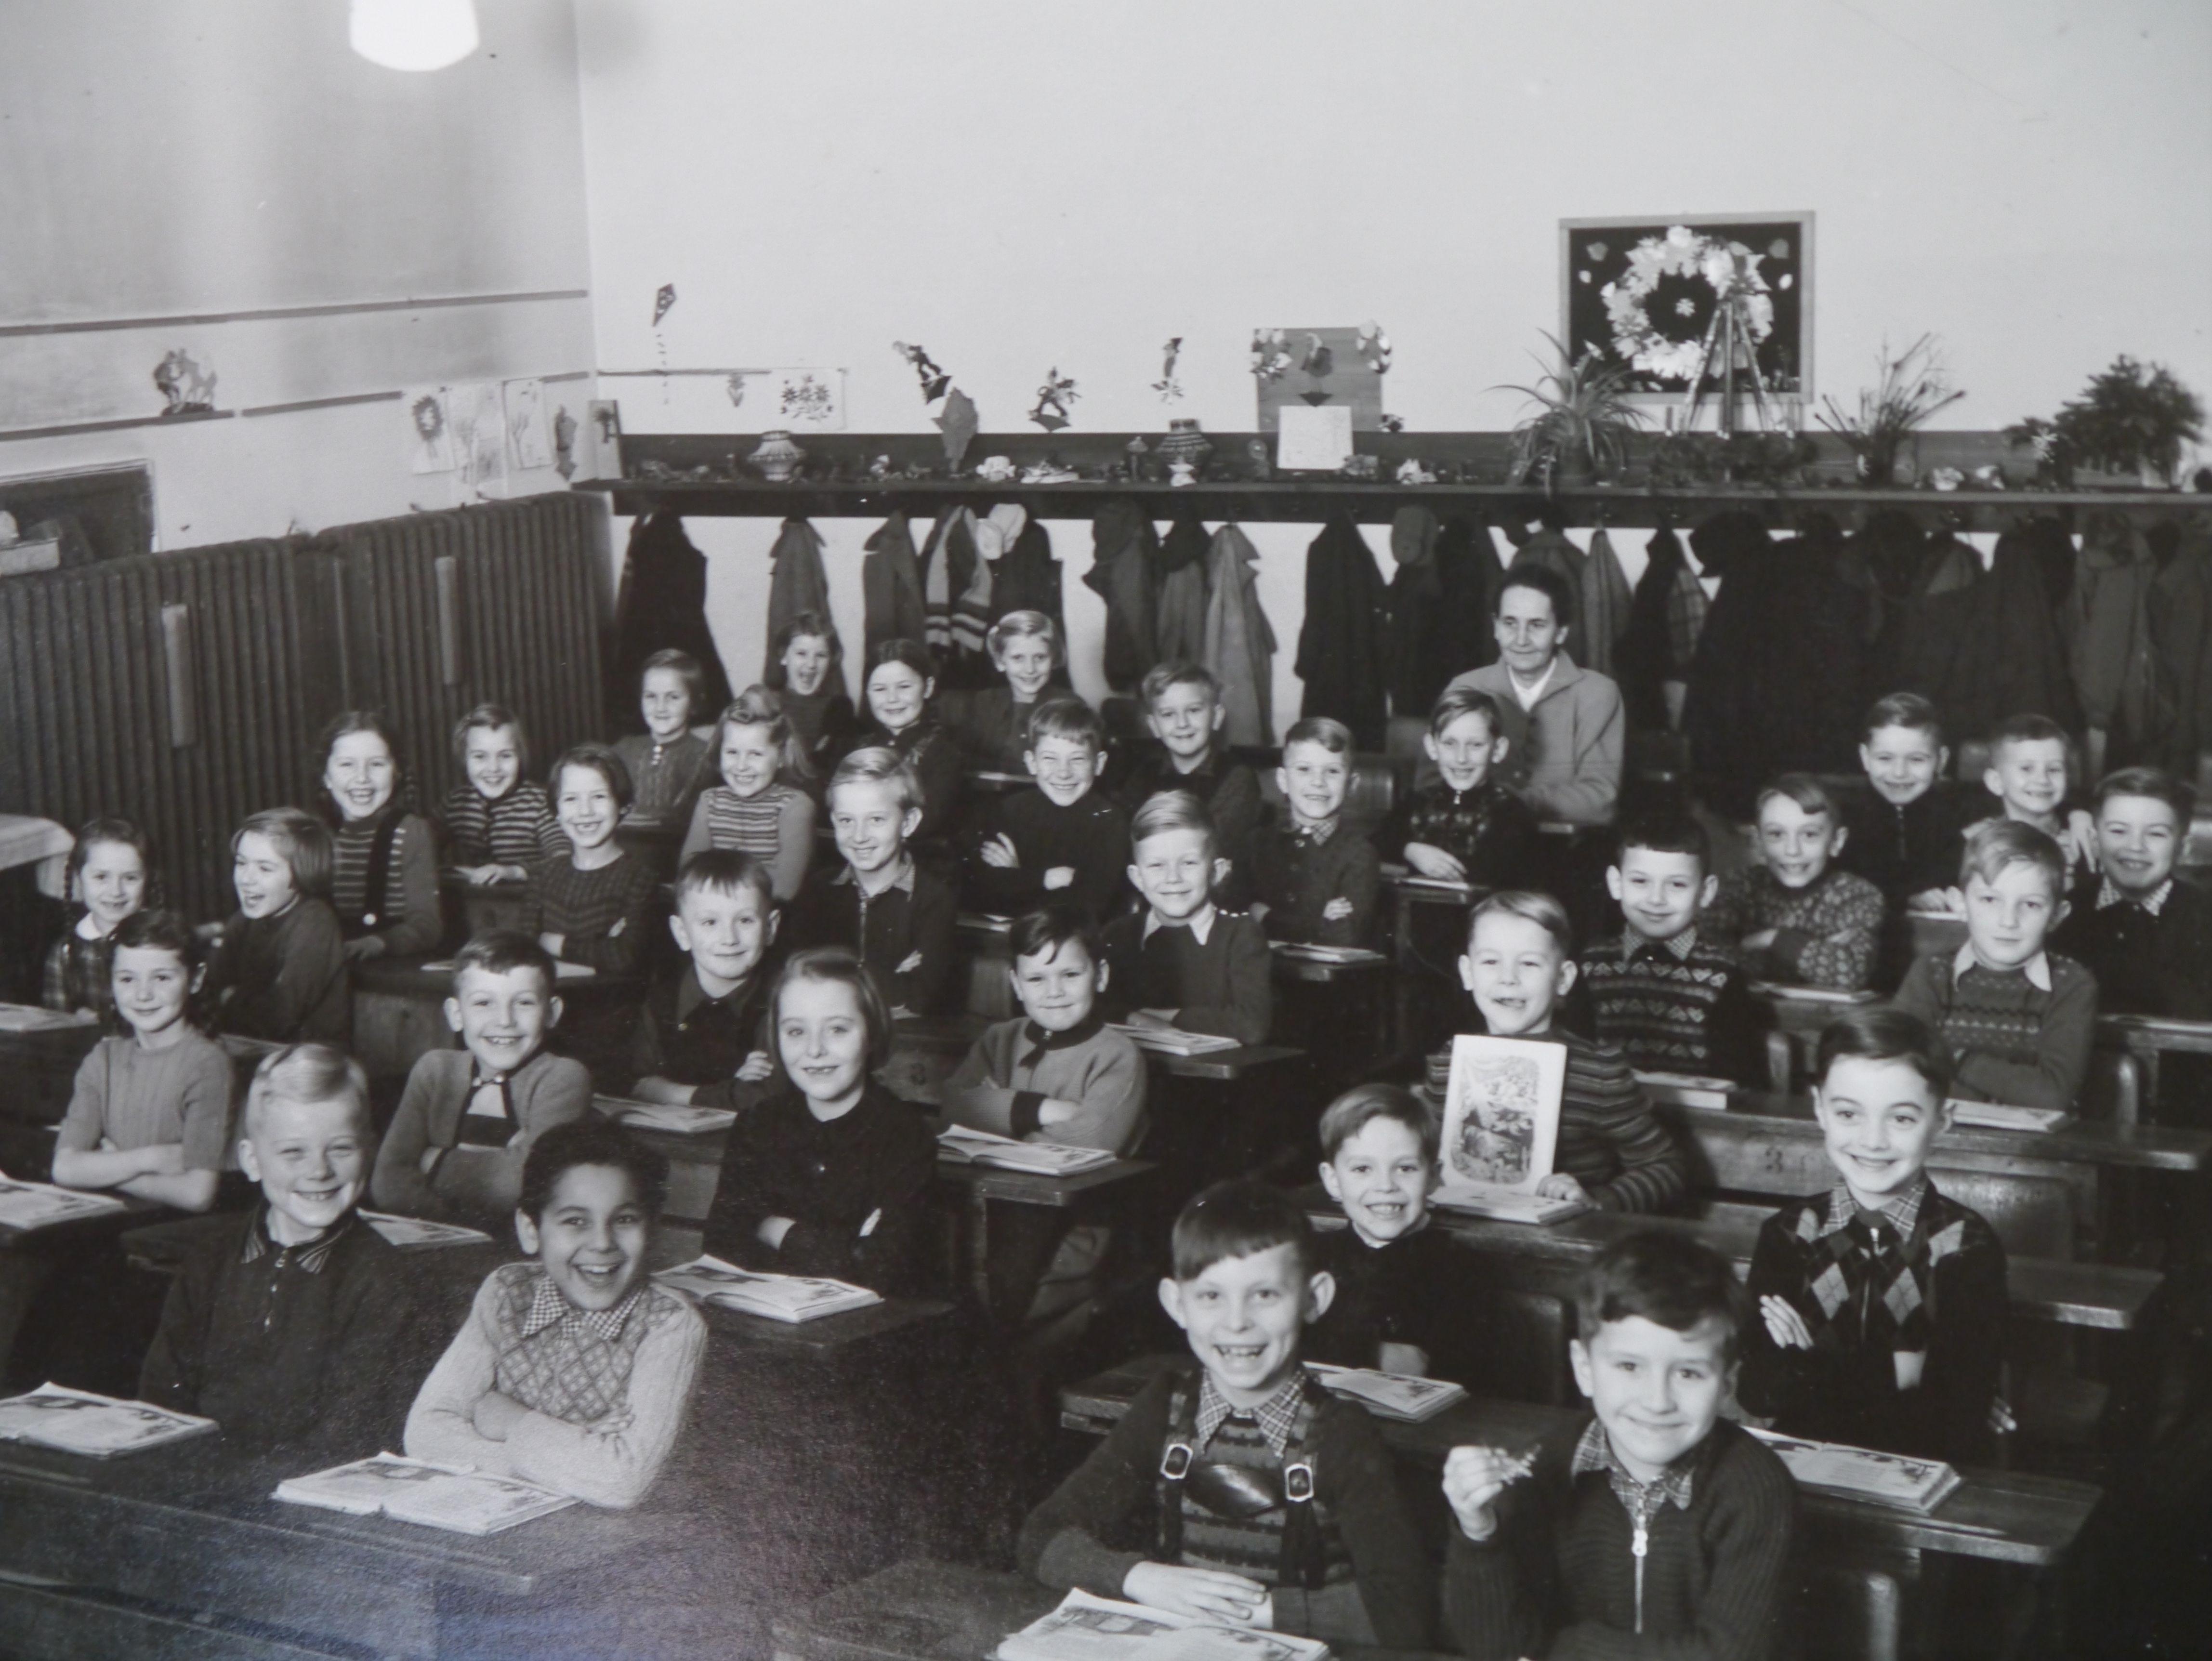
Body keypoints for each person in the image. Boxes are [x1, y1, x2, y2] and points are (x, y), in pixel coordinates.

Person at [1017, 1180, 1434, 1649]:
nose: (1236, 1322)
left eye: (1264, 1295)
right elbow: (1041, 1536)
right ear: (1177, 1304)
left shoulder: (1337, 1433)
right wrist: (1139, 1577)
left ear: (1314, 1299)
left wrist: (1257, 1611)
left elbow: (1404, 1608)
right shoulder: (1165, 1408)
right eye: (1211, 1296)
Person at [1439, 1231, 1795, 1661]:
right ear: (1584, 1368)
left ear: (1728, 1384)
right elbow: (1496, 1648)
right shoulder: (1547, 1464)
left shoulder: (1755, 1487)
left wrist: (1565, 1647)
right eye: (1629, 1366)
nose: (1657, 1401)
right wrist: (1479, 1531)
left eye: (1689, 1374)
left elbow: (1729, 1656)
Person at [1740, 1008, 2009, 1463]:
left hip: (1923, 1472)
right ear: (1819, 1108)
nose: (1872, 1141)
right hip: (1804, 1466)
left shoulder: (1966, 1245)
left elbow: (1957, 1417)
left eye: (1901, 1119)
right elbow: (1761, 1391)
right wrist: (1906, 1369)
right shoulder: (1790, 1235)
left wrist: (1812, 1369)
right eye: (1849, 1113)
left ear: (1943, 1120)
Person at [405, 1118, 706, 1509]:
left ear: (652, 1230)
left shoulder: (669, 1324)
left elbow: (622, 1481)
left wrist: (510, 1421)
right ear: (531, 1230)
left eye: (625, 1220)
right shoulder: (507, 1292)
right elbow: (426, 1432)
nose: (602, 1242)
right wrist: (574, 1447)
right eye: (575, 1221)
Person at [139, 1044, 425, 1455]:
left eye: (341, 1149)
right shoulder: (211, 1260)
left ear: (369, 1151)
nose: (319, 1171)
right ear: (252, 1161)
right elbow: (160, 1403)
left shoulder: (384, 1281)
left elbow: (349, 1436)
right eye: (294, 1151)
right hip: (192, 1481)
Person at [942, 906, 1148, 1327]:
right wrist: (1041, 1109)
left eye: (1071, 975)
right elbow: (954, 1106)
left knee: (994, 1305)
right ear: (1016, 984)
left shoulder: (1117, 1056)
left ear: (1101, 975)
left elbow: (1088, 1143)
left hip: (1072, 1227)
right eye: (1037, 979)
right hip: (989, 1211)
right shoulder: (999, 1040)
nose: (1054, 991)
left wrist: (996, 1117)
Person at [699, 948, 936, 1294]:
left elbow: (878, 1271)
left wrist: (776, 1230)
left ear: (871, 1034)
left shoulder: (905, 1136)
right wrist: (842, 1247)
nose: (814, 1050)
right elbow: (722, 1247)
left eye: (837, 1030)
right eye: (796, 1032)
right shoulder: (758, 1125)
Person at [1450, 892, 1686, 1213]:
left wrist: (1597, 1201)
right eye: (1491, 961)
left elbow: (1665, 1167)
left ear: (1563, 979)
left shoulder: (1599, 1071)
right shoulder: (1448, 1063)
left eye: (1529, 963)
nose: (1508, 979)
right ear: (1467, 972)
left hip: (1565, 1245)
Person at [371, 932, 592, 1227]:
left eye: (524, 1003)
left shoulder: (562, 1077)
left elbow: (525, 1185)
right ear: (456, 1014)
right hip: (441, 1239)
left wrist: (432, 1161)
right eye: (483, 1003)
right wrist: (456, 1214)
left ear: (552, 1013)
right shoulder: (434, 1071)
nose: (504, 1020)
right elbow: (387, 1184)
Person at [1893, 820, 2096, 1110]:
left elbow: (2053, 1094)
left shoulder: (2071, 985)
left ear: (2057, 915)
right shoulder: (1931, 973)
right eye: (1990, 900)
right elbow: (1898, 1070)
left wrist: (1953, 1057)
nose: (2008, 921)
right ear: (1960, 904)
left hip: (2028, 1151)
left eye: (2031, 905)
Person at [52, 909, 231, 1214]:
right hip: (111, 1228)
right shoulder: (103, 1059)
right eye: (127, 979)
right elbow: (65, 1168)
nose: (143, 994)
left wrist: (110, 1167)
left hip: (172, 1236)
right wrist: (152, 1160)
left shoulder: (207, 1064)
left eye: (162, 978)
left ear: (196, 979)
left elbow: (197, 1194)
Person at [1579, 810, 1763, 1085]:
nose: (1656, 899)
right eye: (1640, 881)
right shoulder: (1591, 965)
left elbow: (1737, 1083)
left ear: (1706, 892)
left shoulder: (1723, 975)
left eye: (1677, 885)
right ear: (1616, 884)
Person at [1433, 564, 1623, 828]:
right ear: (1495, 627)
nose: (1521, 640)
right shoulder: (1465, 687)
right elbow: (1429, 787)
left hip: (1567, 851)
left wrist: (1510, 803)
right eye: (1510, 623)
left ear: (1561, 632)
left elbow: (1600, 800)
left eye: (1537, 625)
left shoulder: (1597, 693)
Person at [1303, 1084, 1467, 1383]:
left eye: (1405, 1169)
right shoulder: (1310, 1256)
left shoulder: (1460, 1269)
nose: (1385, 1186)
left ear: (1433, 1177)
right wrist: (1370, 1352)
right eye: (1363, 1169)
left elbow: (1422, 1368)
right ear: (1332, 1180)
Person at [784, 746, 959, 1017]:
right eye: (846, 821)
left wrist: (837, 975)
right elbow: (798, 981)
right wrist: (890, 977)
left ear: (909, 823)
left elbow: (921, 998)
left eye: (876, 820)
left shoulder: (934, 899)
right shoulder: (819, 889)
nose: (859, 836)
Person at [1100, 792, 1272, 1046]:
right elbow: (1092, 1006)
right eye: (1157, 866)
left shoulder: (1241, 935)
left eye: (1189, 863)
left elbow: (1252, 1025)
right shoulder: (1119, 934)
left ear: (1217, 872)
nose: (1173, 878)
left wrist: (1170, 1017)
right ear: (1137, 878)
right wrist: (1137, 1018)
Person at [625, 850, 780, 1109]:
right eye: (710, 922)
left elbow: (760, 1097)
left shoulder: (782, 1003)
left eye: (745, 920)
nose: (729, 938)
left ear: (770, 928)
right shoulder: (661, 1001)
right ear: (682, 933)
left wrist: (671, 1093)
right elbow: (637, 1085)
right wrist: (728, 1089)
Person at [2053, 767, 2211, 1019]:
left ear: (2184, 847)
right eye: (2118, 831)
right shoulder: (2065, 913)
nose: (2135, 846)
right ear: (2095, 840)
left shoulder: (2205, 918)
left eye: (2156, 834)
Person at [1705, 774, 1886, 992]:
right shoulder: (1741, 887)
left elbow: (1851, 972)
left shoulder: (1857, 896)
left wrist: (1770, 940)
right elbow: (1707, 955)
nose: (1792, 851)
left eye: (1809, 835)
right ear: (1758, 842)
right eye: (1776, 834)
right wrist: (1818, 952)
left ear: (1836, 842)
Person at [967, 696, 1130, 923]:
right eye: (1050, 759)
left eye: (1078, 760)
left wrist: (1016, 876)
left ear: (1099, 764)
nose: (1063, 773)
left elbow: (1090, 906)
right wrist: (1044, 880)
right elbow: (983, 895)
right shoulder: (1009, 810)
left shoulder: (1110, 821)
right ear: (1032, 762)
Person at [201, 808, 349, 1044]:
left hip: (309, 1064)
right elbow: (210, 990)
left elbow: (279, 1017)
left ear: (303, 874)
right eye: (241, 863)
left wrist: (230, 999)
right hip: (252, 1049)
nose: (247, 879)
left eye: (265, 868)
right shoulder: (243, 919)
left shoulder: (316, 922)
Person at [1114, 662, 1263, 897]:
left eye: (1194, 711)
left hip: (1215, 893)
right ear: (1154, 725)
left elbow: (1214, 848)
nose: (1182, 723)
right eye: (1168, 714)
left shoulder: (1237, 777)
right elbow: (1124, 839)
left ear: (1216, 717)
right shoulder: (1143, 776)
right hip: (1155, 892)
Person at [523, 744, 660, 980]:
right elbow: (524, 954)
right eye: (571, 799)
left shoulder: (639, 878)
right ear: (556, 811)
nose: (585, 811)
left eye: (598, 797)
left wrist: (555, 943)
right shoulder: (542, 875)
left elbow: (625, 959)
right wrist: (597, 958)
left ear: (622, 805)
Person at [316, 711, 441, 962]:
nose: (362, 778)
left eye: (376, 764)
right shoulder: (317, 834)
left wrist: (380, 943)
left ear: (396, 774)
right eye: (346, 764)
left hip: (388, 963)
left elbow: (428, 926)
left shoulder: (411, 831)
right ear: (327, 777)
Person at [1837, 693, 1980, 911]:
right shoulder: (1845, 819)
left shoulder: (1955, 818)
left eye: (1916, 760)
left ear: (1941, 761)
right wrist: (1906, 896)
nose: (1899, 773)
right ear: (1865, 757)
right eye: (1885, 758)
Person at [1389, 687, 1540, 889]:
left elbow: (1499, 874)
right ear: (1432, 747)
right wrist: (1409, 850)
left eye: (1476, 745)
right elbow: (1376, 845)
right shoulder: (1416, 801)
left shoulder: (1511, 813)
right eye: (1450, 744)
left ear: (1498, 750)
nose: (1461, 758)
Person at [1250, 717, 1380, 949]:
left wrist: (1267, 918)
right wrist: (1319, 922)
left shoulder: (1360, 855)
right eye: (1304, 769)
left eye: (1332, 771)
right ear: (1283, 780)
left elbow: (1345, 935)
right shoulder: (1258, 843)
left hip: (1326, 985)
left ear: (1352, 784)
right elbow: (1239, 917)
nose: (1318, 782)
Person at [679, 686, 817, 903]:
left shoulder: (795, 806)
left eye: (755, 754)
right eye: (732, 752)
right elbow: (688, 875)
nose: (741, 766)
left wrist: (717, 881)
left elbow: (784, 889)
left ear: (781, 757)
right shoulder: (710, 802)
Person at [440, 703, 566, 885]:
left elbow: (562, 859)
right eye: (480, 757)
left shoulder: (540, 804)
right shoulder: (456, 803)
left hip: (529, 904)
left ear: (521, 757)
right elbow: (422, 845)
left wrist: (515, 872)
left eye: (505, 756)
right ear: (464, 759)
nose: (493, 768)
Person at [42, 817, 154, 1021]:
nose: (116, 891)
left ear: (147, 879)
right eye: (101, 877)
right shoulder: (66, 954)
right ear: (79, 879)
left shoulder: (165, 945)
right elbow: (56, 1030)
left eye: (130, 878)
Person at [857, 638, 963, 847]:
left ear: (928, 687)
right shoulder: (858, 748)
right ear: (867, 693)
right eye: (879, 689)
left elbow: (928, 821)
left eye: (904, 687)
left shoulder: (944, 752)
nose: (892, 699)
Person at [1977, 713, 2094, 881]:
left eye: (2054, 770)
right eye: (2026, 769)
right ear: (1996, 782)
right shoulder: (1980, 842)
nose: (2043, 780)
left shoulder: (2082, 838)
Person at [952, 609, 1064, 774]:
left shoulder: (1067, 706)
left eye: (1040, 658)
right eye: (1018, 658)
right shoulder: (984, 703)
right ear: (1000, 661)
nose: (1030, 669)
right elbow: (964, 760)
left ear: (1053, 658)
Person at [613, 647, 712, 830]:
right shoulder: (623, 749)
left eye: (673, 697)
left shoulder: (704, 756)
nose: (660, 707)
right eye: (651, 696)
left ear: (694, 703)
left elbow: (691, 819)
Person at [764, 611, 857, 780]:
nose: (811, 664)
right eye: (802, 654)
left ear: (830, 662)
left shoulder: (839, 709)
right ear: (784, 657)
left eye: (821, 655)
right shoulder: (765, 702)